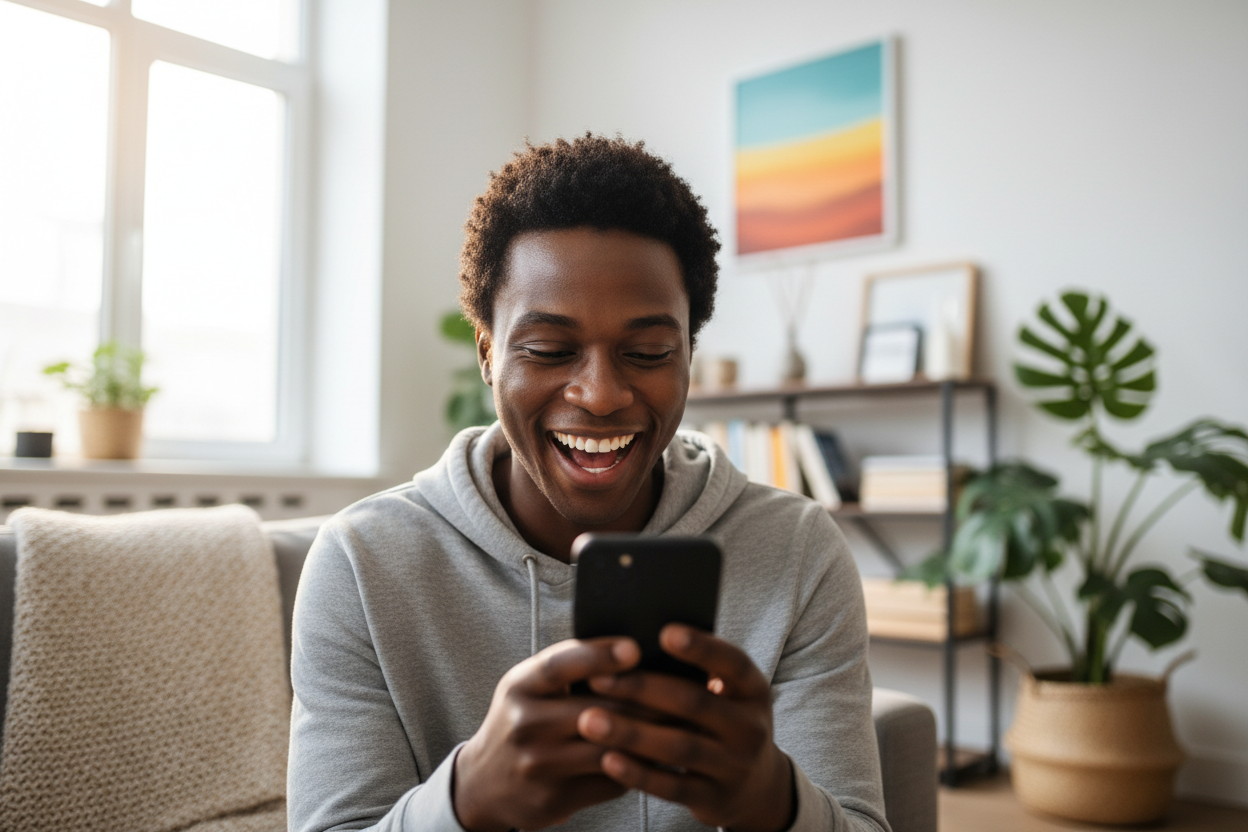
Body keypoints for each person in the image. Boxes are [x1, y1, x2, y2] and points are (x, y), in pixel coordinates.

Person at [288, 134, 889, 832]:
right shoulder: (362, 565)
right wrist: (466, 802)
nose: (601, 395)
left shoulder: (797, 550)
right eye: (549, 350)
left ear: (689, 353)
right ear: (487, 351)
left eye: (647, 352)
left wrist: (770, 800)